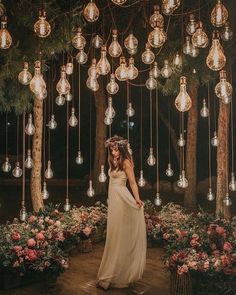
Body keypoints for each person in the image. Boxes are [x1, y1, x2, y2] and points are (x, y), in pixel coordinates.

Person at [96, 135, 147, 290]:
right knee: (113, 235)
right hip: (114, 201)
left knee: (120, 235)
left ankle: (118, 273)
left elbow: (132, 183)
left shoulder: (126, 162)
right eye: (111, 149)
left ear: (122, 149)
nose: (113, 152)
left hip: (123, 200)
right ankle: (112, 272)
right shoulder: (112, 162)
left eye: (116, 149)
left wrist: (137, 199)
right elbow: (111, 183)